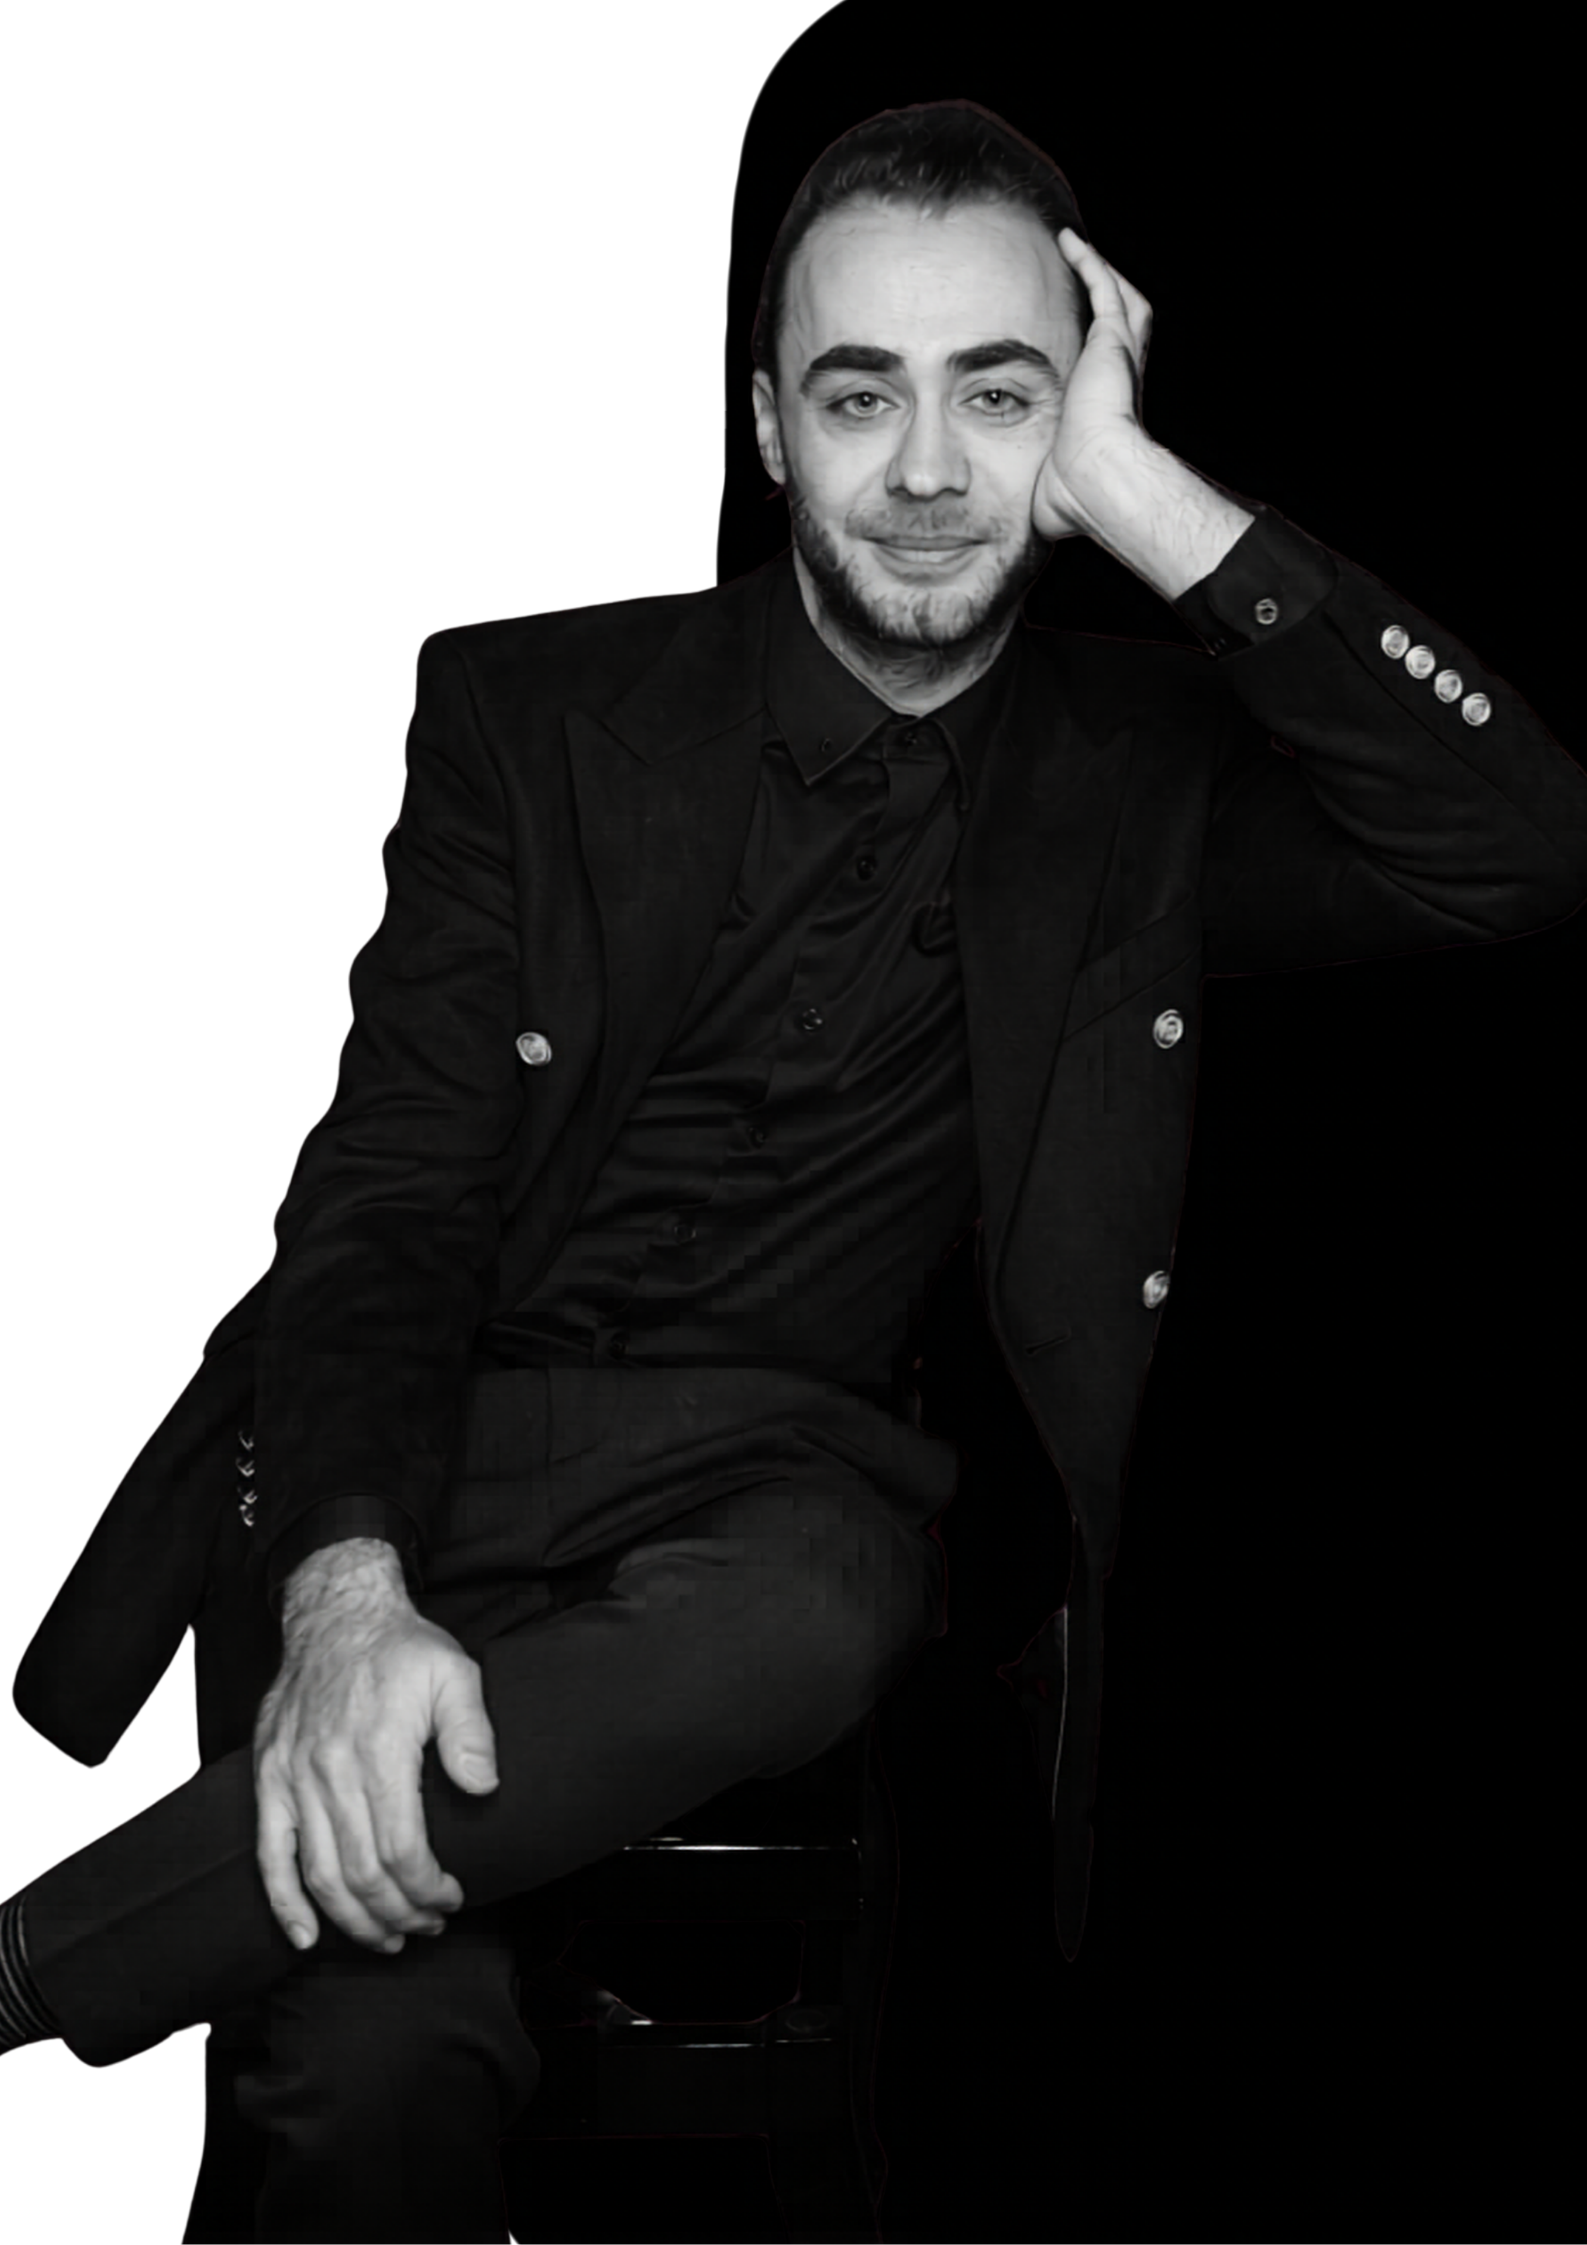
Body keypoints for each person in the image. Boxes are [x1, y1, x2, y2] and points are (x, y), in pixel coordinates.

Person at [5, 95, 1584, 2242]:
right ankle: (129, 1932)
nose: (927, 470)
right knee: (375, 2067)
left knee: (832, 1604)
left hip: (766, 1498)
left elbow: (1511, 847)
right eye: (860, 396)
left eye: (998, 397)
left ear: (1076, 415)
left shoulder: (1134, 770)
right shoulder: (527, 713)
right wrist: (350, 1594)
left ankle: (31, 1968)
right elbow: (392, 1190)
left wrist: (1143, 498)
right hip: (417, 1451)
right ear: (769, 429)